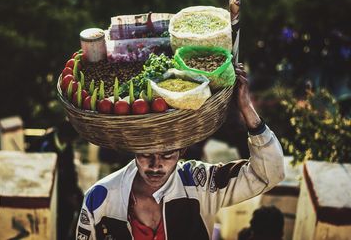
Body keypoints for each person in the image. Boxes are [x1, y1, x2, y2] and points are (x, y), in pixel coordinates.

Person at [75, 64, 285, 240]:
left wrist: (246, 108)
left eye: (167, 154)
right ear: (134, 148)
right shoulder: (100, 198)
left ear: (182, 150)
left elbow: (267, 174)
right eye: (146, 154)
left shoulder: (200, 183)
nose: (156, 164)